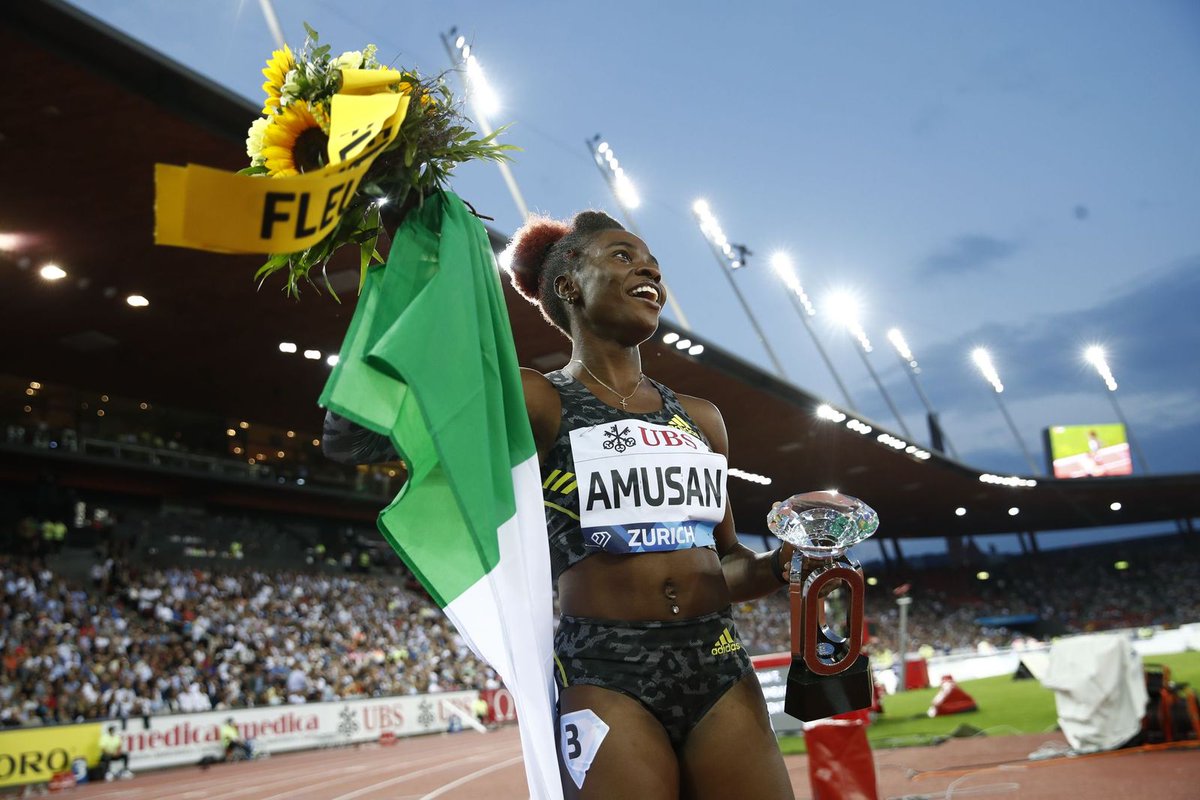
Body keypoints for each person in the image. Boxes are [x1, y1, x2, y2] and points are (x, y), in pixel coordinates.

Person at [325, 211, 796, 799]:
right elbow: (353, 438)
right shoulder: (538, 400)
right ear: (569, 284)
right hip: (605, 675)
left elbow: (728, 563)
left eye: (652, 260)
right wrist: (410, 267)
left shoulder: (701, 420)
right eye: (623, 255)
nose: (649, 266)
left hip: (718, 664)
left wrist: (785, 564)